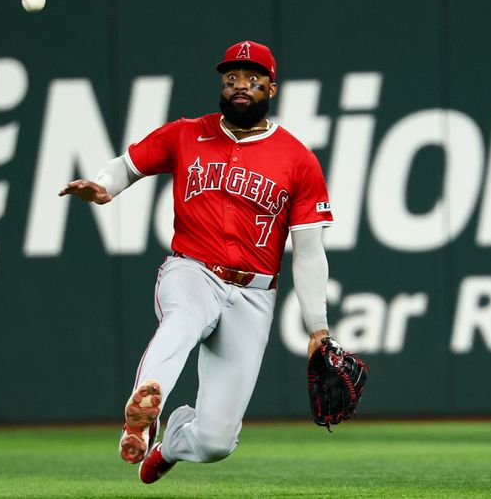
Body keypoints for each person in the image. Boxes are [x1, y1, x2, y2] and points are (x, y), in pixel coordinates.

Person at [58, 40, 334, 484]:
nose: (240, 86)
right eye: (231, 79)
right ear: (221, 86)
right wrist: (104, 185)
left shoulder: (298, 160)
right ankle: (144, 413)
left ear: (271, 88)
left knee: (215, 442)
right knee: (182, 320)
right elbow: (128, 165)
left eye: (252, 79)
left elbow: (308, 249)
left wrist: (318, 327)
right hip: (193, 271)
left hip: (254, 295)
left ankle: (171, 443)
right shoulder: (187, 133)